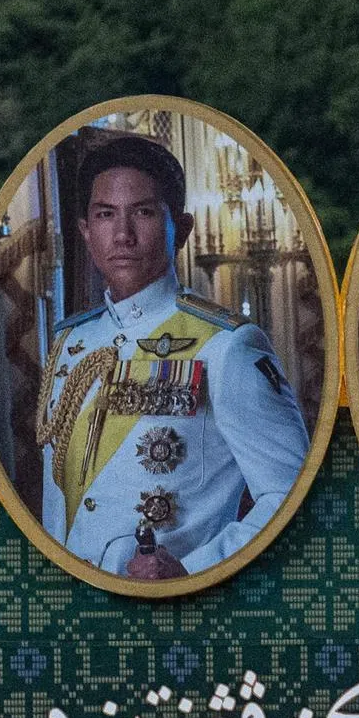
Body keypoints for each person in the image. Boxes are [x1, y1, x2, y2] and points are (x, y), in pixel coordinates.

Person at [36, 135, 309, 580]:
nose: (122, 235)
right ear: (85, 231)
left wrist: (192, 569)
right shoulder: (72, 342)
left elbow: (293, 496)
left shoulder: (227, 345)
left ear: (180, 229)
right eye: (105, 215)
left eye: (143, 213)